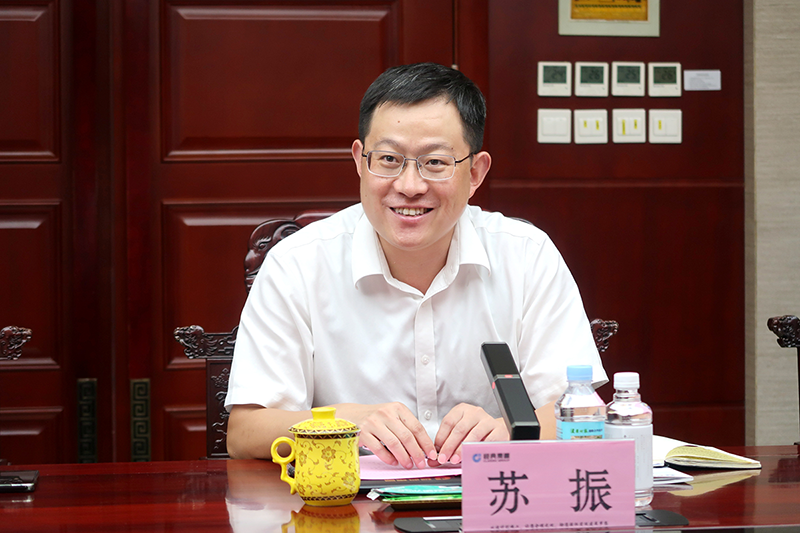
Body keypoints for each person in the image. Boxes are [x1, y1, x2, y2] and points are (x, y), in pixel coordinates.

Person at [225, 62, 606, 468]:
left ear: (475, 173)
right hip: (349, 502)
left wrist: (507, 431)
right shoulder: (297, 264)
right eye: (389, 159)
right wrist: (344, 422)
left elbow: (584, 412)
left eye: (435, 162)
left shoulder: (526, 256)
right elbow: (245, 432)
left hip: (491, 495)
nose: (409, 186)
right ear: (360, 161)